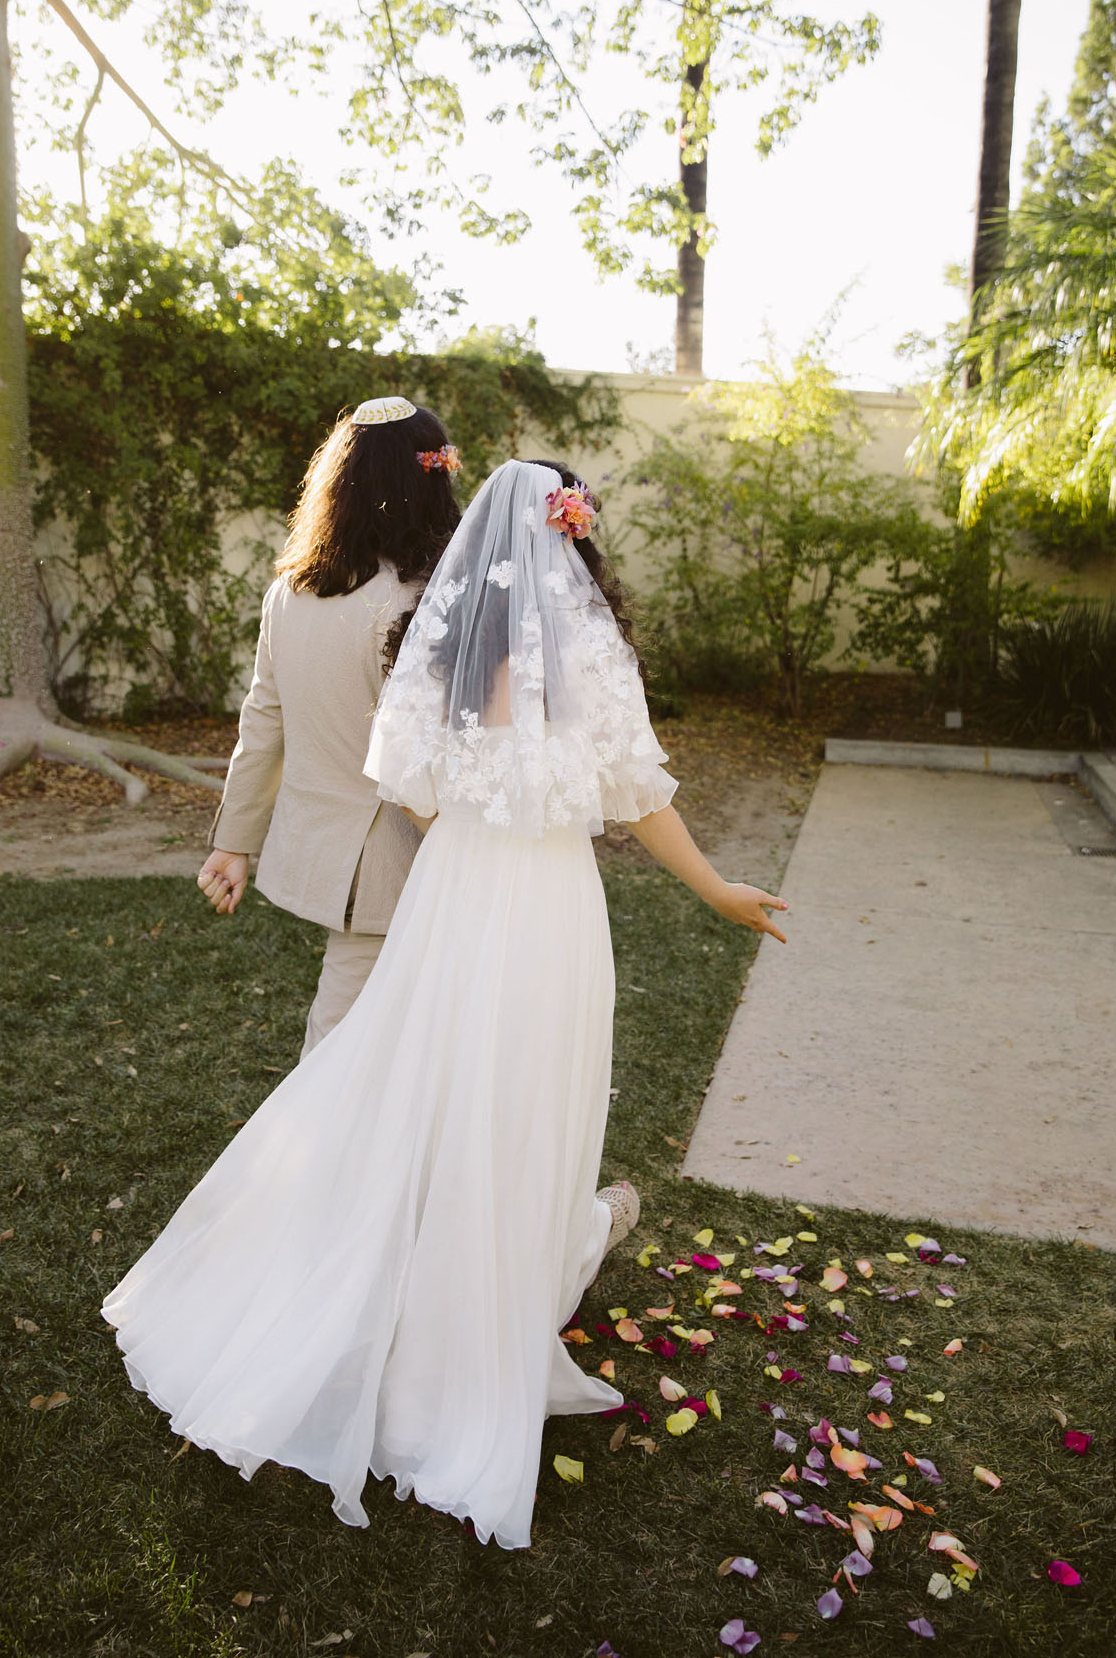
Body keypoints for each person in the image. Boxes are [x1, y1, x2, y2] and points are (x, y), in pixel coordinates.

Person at [102, 458, 788, 1552]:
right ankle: (473, 1338)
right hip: (550, 912)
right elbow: (640, 795)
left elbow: (407, 786)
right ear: (570, 537)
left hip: (451, 900)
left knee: (423, 1089)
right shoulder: (585, 656)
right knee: (520, 1113)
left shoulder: (444, 644)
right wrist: (715, 888)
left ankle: (406, 1307)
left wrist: (487, 802)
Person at [197, 396, 461, 1056]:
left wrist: (234, 841)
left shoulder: (291, 591)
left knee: (386, 1033)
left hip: (339, 854)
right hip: (405, 855)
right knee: (344, 1043)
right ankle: (309, 1159)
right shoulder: (425, 597)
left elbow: (264, 719)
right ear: (426, 480)